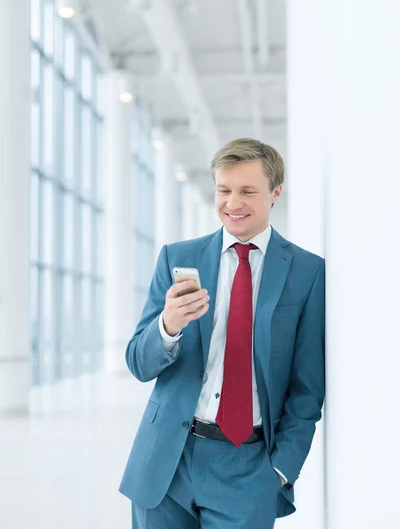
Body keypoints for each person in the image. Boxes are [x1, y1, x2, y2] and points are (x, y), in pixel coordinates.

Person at [119, 138, 325, 528]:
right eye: (224, 190)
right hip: (166, 459)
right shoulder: (177, 258)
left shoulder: (307, 272)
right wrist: (168, 327)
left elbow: (307, 388)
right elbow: (138, 363)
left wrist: (280, 470)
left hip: (249, 468)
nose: (233, 203)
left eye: (248, 191)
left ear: (275, 192)